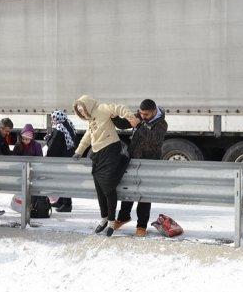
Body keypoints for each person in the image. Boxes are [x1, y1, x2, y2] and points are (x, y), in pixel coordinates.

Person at [72, 95, 140, 236]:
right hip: (98, 154)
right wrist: (79, 150)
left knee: (108, 187)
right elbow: (88, 135)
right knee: (99, 187)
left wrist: (131, 118)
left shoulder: (102, 108)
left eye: (82, 109)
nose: (81, 112)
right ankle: (103, 218)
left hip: (110, 149)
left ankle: (111, 221)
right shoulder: (91, 119)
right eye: (79, 110)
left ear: (87, 105)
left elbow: (119, 108)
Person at [112, 99, 168, 236]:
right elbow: (125, 124)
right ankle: (123, 217)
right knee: (127, 189)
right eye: (141, 113)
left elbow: (153, 139)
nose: (142, 116)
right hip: (133, 158)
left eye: (146, 114)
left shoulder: (162, 123)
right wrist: (114, 118)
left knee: (144, 194)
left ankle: (141, 226)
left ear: (154, 111)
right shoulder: (140, 115)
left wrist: (138, 126)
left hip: (149, 162)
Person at [45, 110, 77, 212]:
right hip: (67, 158)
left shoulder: (59, 129)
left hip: (61, 160)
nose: (52, 120)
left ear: (57, 118)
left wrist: (48, 140)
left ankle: (67, 204)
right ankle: (61, 201)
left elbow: (53, 146)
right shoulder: (68, 125)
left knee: (63, 181)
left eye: (53, 118)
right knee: (63, 180)